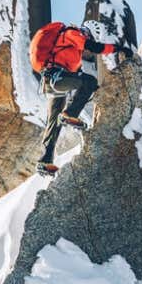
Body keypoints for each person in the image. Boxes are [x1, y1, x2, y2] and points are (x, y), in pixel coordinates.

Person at [30, 20, 133, 176]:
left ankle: (45, 161)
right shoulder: (72, 33)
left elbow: (79, 82)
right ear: (87, 32)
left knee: (54, 122)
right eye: (90, 36)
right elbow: (95, 47)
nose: (88, 41)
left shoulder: (73, 52)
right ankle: (70, 114)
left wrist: (100, 91)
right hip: (57, 79)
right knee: (90, 80)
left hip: (53, 83)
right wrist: (119, 48)